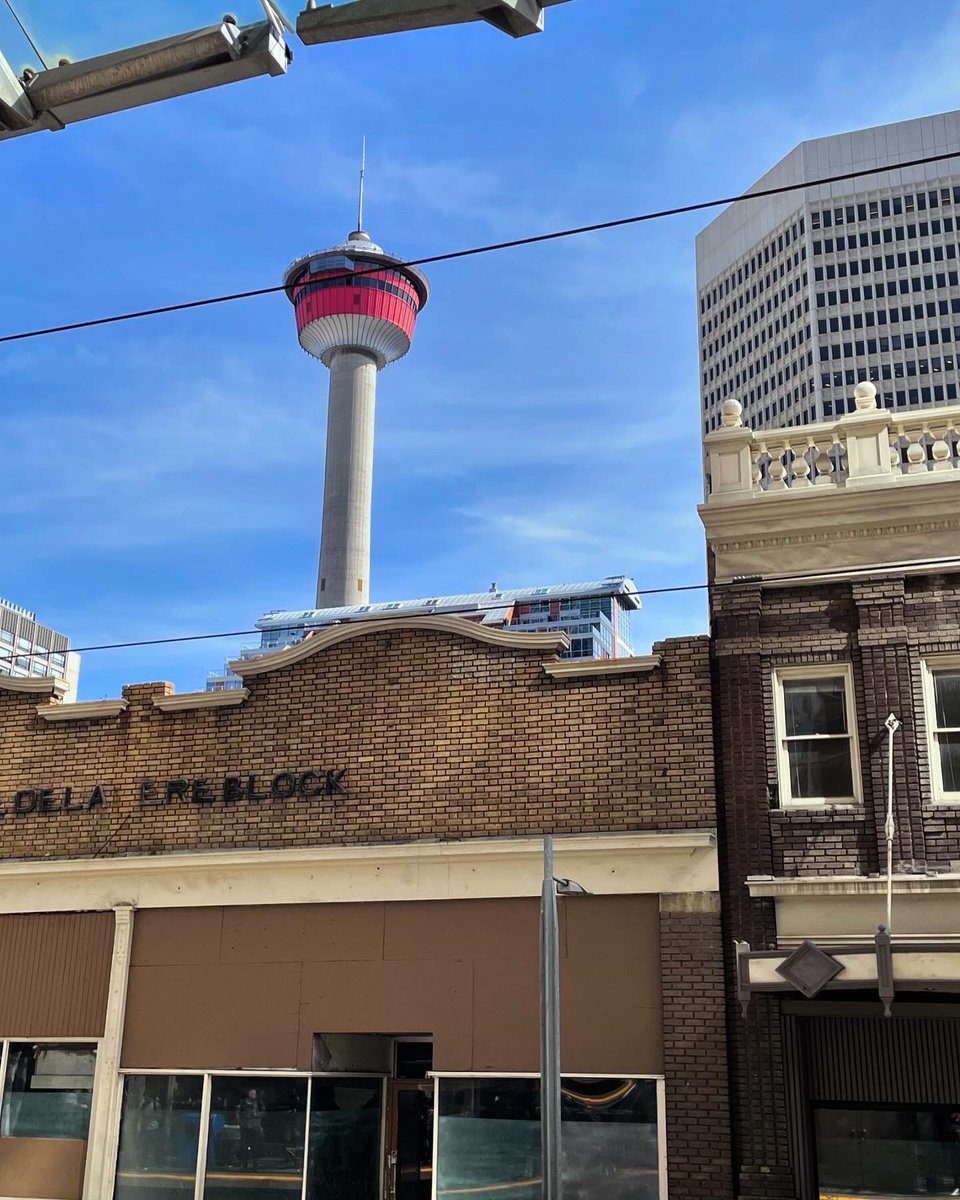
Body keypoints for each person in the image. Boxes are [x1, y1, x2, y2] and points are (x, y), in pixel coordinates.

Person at [237, 1088, 265, 1171]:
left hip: (255, 1126)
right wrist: (241, 1123)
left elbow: (263, 1112)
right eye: (251, 1093)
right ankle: (244, 1164)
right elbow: (238, 1113)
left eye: (254, 1093)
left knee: (255, 1146)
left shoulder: (259, 1102)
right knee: (244, 1146)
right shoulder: (243, 1102)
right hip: (245, 1127)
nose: (253, 1095)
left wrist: (256, 1114)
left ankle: (255, 1164)